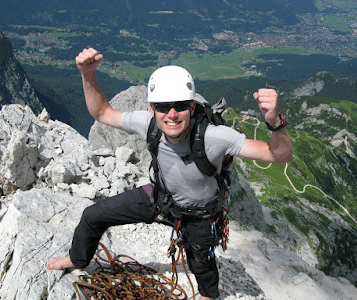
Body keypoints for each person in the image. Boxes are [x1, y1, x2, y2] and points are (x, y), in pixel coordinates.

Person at [46, 48, 293, 300]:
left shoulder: (214, 137)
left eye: (180, 106)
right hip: (161, 197)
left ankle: (209, 295)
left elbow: (278, 155)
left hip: (200, 214)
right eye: (163, 106)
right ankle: (77, 258)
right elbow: (102, 113)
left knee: (201, 262)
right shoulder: (148, 124)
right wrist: (87, 74)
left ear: (192, 106)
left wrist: (275, 122)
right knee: (93, 215)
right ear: (152, 109)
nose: (172, 114)